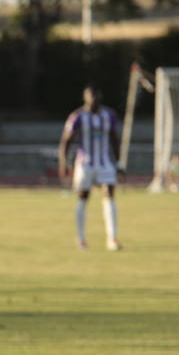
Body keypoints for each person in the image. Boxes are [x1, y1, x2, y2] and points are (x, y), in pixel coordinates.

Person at [58, 85, 123, 251]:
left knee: (109, 194)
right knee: (83, 197)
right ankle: (82, 240)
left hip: (105, 163)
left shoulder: (109, 115)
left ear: (100, 96)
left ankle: (112, 239)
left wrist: (119, 162)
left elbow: (115, 139)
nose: (93, 99)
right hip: (85, 163)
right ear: (85, 97)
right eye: (90, 95)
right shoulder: (78, 116)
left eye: (96, 95)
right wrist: (63, 163)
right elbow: (66, 140)